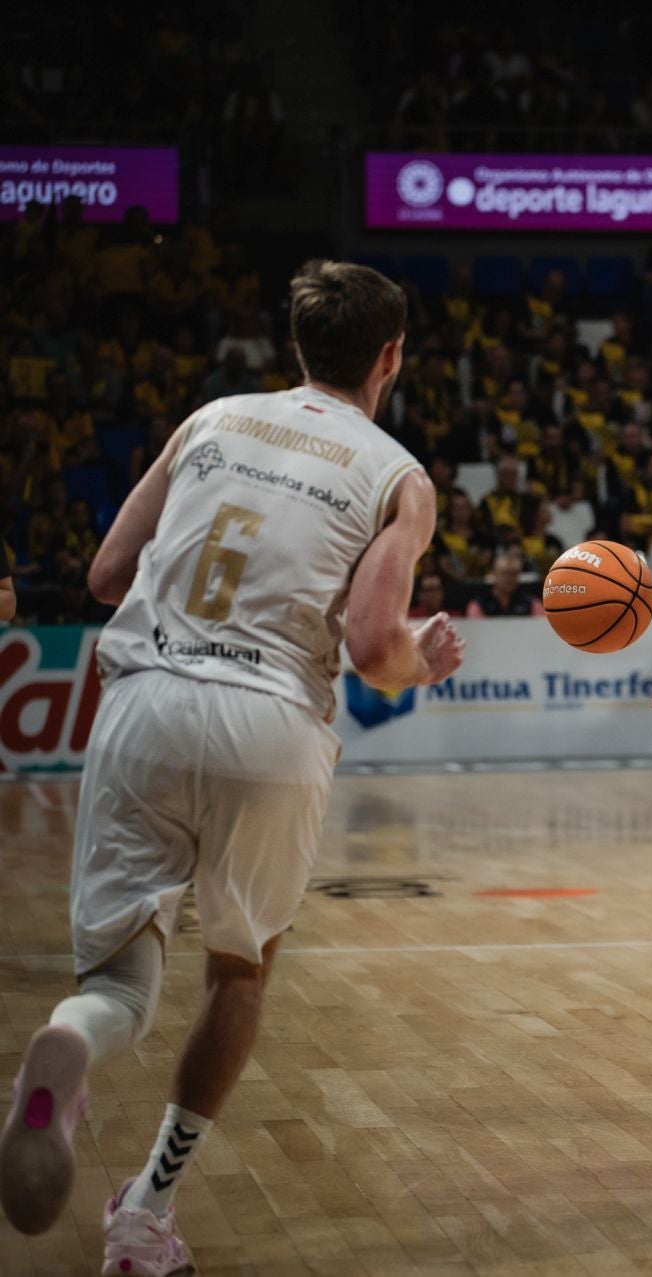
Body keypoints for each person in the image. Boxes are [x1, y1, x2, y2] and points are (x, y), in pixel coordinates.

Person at [0, 261, 465, 1266]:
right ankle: (145, 1213)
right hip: (268, 723)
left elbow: (106, 573)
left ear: (294, 345)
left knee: (121, 980)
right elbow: (377, 643)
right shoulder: (397, 475)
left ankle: (73, 1045)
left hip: (145, 703)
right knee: (238, 965)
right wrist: (419, 661)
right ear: (391, 355)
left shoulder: (208, 420)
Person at [466, 547, 542, 617]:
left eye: (513, 573)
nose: (509, 578)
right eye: (505, 573)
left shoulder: (532, 603)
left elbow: (541, 626)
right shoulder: (478, 604)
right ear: (494, 574)